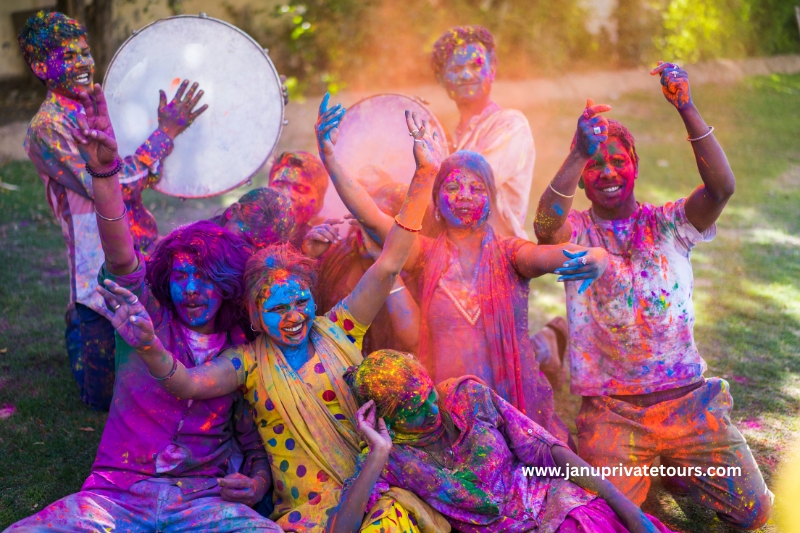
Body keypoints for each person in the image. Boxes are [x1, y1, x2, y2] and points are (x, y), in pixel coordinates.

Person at [92, 105, 448, 533]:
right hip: (303, 517)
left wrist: (425, 175)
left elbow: (390, 263)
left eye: (300, 301)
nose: (294, 316)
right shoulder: (245, 362)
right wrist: (148, 345)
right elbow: (186, 382)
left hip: (373, 495)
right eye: (277, 309)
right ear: (255, 317)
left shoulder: (340, 326)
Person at [5, 85, 280, 533]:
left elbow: (252, 440)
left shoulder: (241, 347)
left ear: (227, 286)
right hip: (115, 495)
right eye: (181, 276)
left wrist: (257, 482)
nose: (191, 289)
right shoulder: (148, 315)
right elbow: (120, 256)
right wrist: (104, 173)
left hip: (201, 501)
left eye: (206, 278)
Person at [533, 62, 772, 529]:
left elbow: (722, 187)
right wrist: (576, 152)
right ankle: (661, 465)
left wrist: (685, 106)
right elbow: (544, 228)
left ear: (635, 167)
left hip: (689, 404)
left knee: (754, 512)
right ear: (582, 178)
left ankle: (680, 465)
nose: (607, 172)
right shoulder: (578, 229)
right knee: (606, 519)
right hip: (612, 412)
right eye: (595, 165)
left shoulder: (669, 224)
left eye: (618, 161)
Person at [316, 95, 609, 446]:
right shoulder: (423, 254)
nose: (465, 195)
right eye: (453, 187)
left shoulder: (510, 255)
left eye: (477, 188)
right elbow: (370, 215)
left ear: (492, 198)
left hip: (509, 415)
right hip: (446, 421)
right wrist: (331, 157)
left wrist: (594, 255)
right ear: (436, 204)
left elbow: (549, 256)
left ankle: (549, 343)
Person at [17, 11, 207, 410]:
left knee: (164, 369)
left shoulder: (101, 104)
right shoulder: (47, 127)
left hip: (141, 249)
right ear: (39, 66)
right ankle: (77, 328)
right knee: (102, 399)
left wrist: (156, 147)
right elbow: (115, 186)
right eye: (68, 57)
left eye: (84, 53)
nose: (84, 64)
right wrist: (165, 134)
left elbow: (139, 176)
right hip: (96, 272)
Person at [333, 349, 677, 533]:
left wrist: (627, 510)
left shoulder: (467, 397)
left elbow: (546, 451)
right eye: (412, 410)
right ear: (384, 418)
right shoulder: (391, 459)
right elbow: (341, 530)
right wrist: (379, 452)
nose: (430, 408)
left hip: (565, 510)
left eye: (427, 393)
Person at [431, 26, 569, 387]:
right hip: (452, 257)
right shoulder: (448, 135)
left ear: (492, 70)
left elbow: (472, 182)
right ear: (441, 78)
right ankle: (544, 342)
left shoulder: (510, 125)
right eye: (454, 67)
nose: (465, 74)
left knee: (498, 370)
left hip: (499, 261)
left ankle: (547, 341)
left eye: (476, 64)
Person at [307, 183, 421, 356]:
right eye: (362, 217)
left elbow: (413, 340)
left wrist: (386, 262)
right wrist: (309, 256)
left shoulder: (411, 269)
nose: (365, 228)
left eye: (375, 223)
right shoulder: (339, 254)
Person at [268, 151, 330, 248]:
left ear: (319, 203)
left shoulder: (326, 250)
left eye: (301, 189)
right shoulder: (242, 237)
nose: (288, 194)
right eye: (280, 186)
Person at [212, 187, 295, 249]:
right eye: (245, 240)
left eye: (261, 250)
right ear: (233, 211)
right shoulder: (201, 247)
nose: (250, 251)